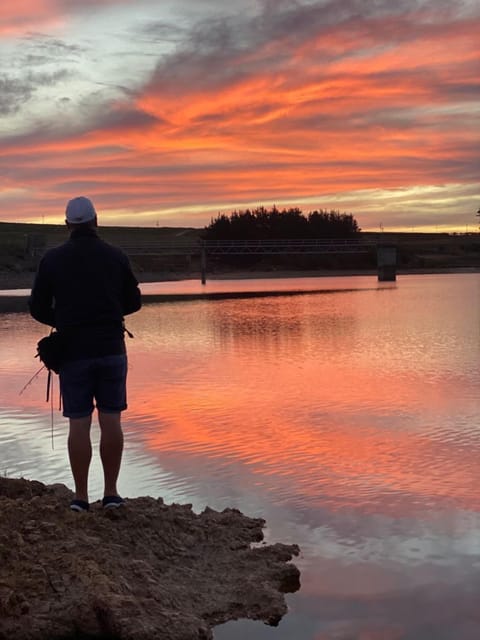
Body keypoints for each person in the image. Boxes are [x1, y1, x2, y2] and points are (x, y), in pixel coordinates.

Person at [29, 196, 142, 512]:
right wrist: (106, 315)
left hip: (73, 353)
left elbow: (37, 307)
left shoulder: (52, 260)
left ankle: (80, 498)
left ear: (68, 225)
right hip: (111, 349)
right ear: (96, 221)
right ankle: (111, 494)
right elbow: (134, 302)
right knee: (111, 420)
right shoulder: (116, 256)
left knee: (78, 424)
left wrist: (64, 320)